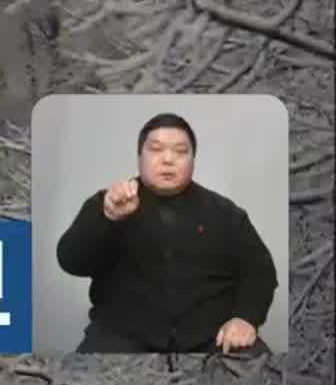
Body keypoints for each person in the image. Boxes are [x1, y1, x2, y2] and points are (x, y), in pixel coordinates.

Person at [55, 112, 278, 354]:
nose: (168, 159)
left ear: (193, 160)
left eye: (181, 151)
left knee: (259, 371)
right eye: (156, 149)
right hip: (121, 333)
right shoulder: (107, 203)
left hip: (212, 335)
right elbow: (70, 261)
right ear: (140, 156)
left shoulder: (225, 213)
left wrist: (245, 318)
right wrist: (109, 218)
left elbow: (260, 272)